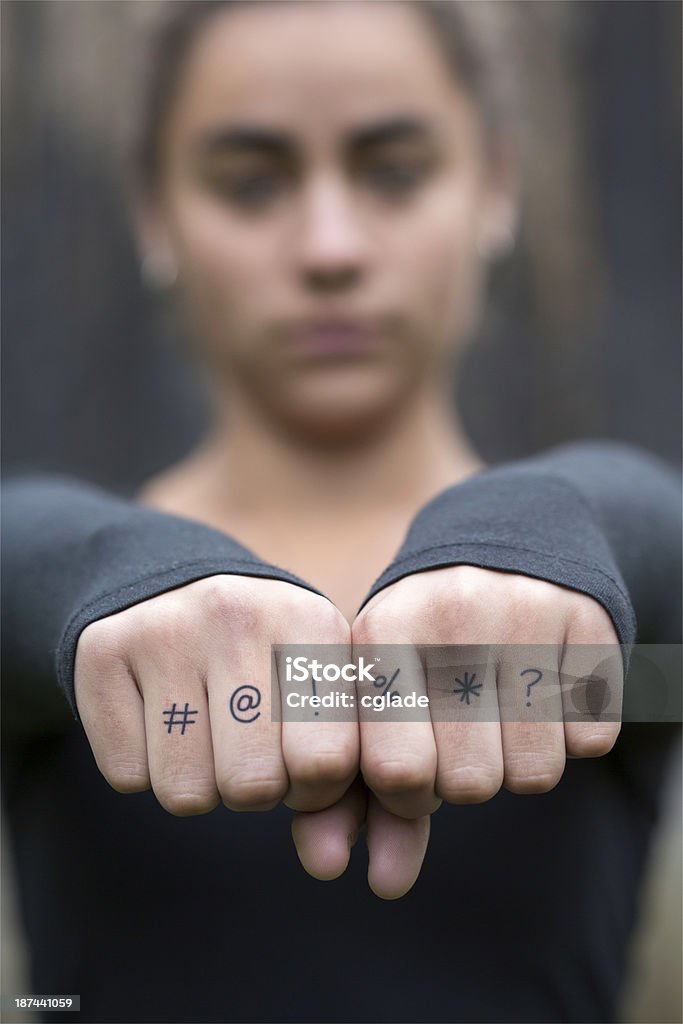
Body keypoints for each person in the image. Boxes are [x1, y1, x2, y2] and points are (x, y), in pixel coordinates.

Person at [2, 3, 680, 1022]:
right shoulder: (74, 610)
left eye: (394, 171)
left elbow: (652, 541)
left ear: (494, 184)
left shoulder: (590, 596)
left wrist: (532, 524)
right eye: (251, 182)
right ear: (154, 210)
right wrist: (119, 568)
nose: (328, 247)